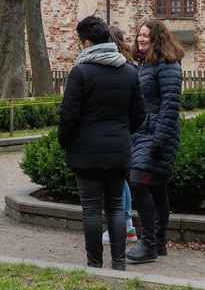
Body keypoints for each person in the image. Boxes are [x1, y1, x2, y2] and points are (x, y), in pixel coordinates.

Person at [59, 14, 145, 270]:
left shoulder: (80, 72)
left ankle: (94, 262)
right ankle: (119, 263)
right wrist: (121, 133)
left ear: (86, 42)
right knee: (117, 207)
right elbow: (139, 115)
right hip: (118, 149)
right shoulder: (129, 71)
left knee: (92, 209)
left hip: (86, 151)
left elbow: (68, 116)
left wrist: (66, 142)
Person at [126, 19, 184, 265]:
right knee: (157, 187)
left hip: (157, 135)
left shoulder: (167, 65)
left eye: (146, 36)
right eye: (139, 35)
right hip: (143, 134)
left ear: (157, 39)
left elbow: (171, 105)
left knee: (138, 182)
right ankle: (158, 242)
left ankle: (148, 243)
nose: (141, 39)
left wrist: (159, 138)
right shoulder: (144, 65)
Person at [105, 25, 138, 247]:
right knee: (121, 179)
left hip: (119, 130)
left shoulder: (120, 67)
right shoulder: (129, 65)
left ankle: (125, 225)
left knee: (118, 181)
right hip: (125, 130)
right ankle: (125, 225)